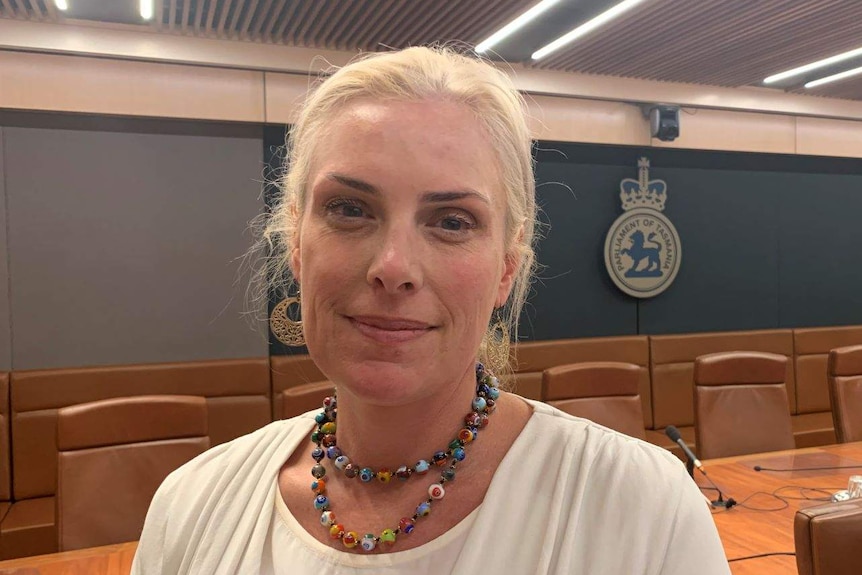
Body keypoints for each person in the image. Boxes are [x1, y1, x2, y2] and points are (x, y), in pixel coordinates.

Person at [132, 46, 730, 574]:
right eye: (349, 209)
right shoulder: (192, 506)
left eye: (451, 222)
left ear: (506, 267)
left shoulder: (645, 510)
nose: (393, 266)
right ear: (295, 243)